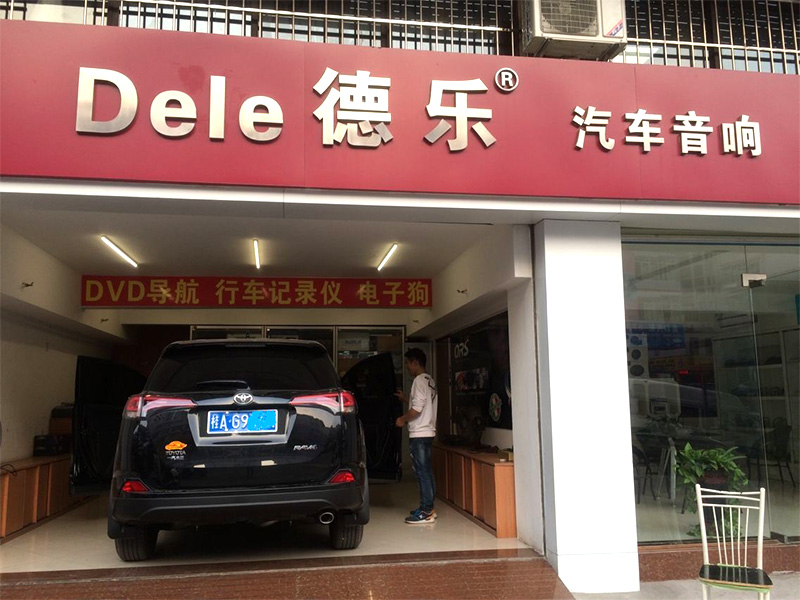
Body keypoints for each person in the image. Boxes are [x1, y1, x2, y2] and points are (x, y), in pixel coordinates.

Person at [395, 347, 438, 524]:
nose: (407, 367)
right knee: (427, 470)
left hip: (419, 433)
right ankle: (429, 508)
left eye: (408, 363)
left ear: (415, 362)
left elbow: (418, 409)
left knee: (422, 473)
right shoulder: (429, 380)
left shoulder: (419, 381)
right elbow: (422, 404)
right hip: (428, 431)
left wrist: (402, 419)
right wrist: (406, 399)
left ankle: (426, 511)